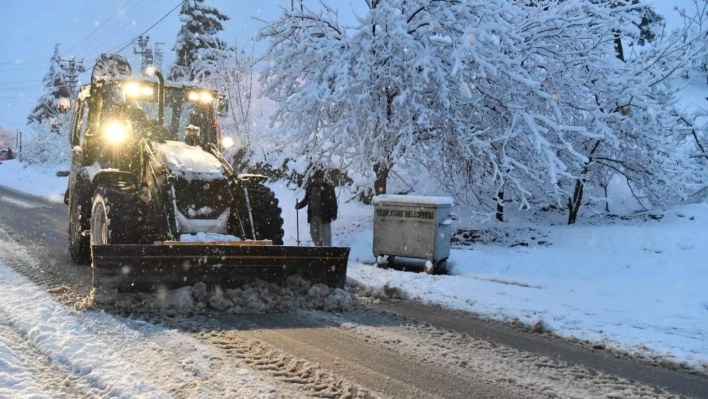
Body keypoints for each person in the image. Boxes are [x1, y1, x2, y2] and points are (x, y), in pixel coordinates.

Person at [295, 170, 338, 247]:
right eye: (316, 178)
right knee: (314, 236)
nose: (317, 179)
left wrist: (334, 213)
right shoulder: (310, 187)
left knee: (326, 237)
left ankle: (328, 254)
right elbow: (306, 199)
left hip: (324, 216)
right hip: (313, 216)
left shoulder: (328, 188)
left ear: (322, 178)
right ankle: (319, 252)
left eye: (319, 178)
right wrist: (300, 205)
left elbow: (333, 202)